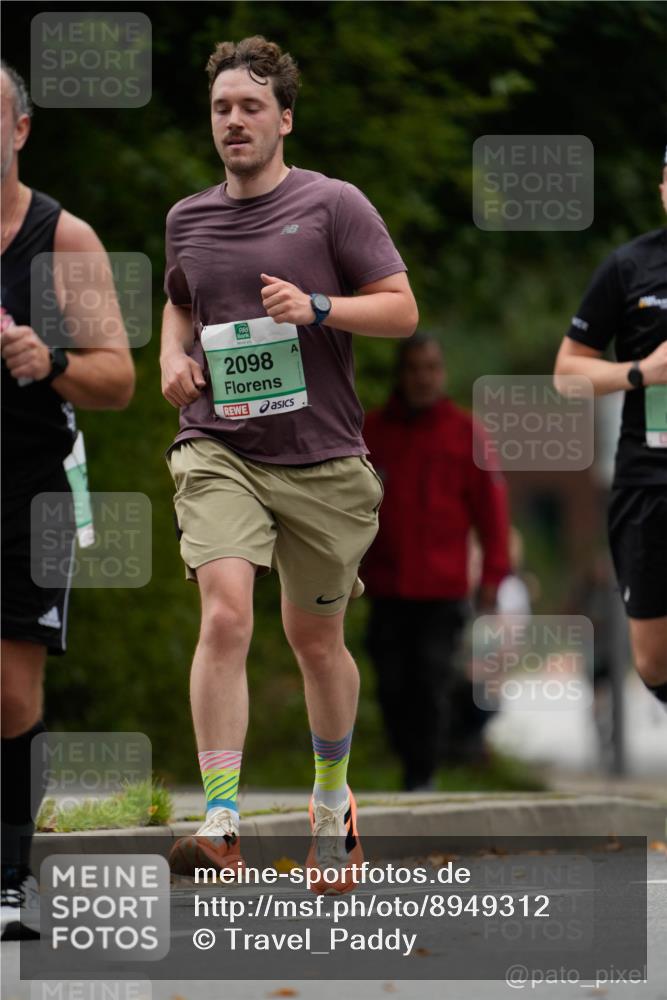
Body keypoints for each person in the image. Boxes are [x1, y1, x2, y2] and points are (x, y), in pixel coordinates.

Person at [160, 36, 417, 893]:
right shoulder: (187, 217)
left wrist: (316, 307)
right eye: (221, 109)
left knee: (314, 640)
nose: (233, 122)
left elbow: (401, 311)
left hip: (323, 459)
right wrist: (170, 358)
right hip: (218, 445)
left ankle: (331, 798)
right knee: (227, 614)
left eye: (250, 108)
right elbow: (179, 300)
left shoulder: (333, 204)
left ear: (284, 119)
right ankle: (223, 818)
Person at [0, 61, 135, 939]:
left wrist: (48, 363)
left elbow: (119, 379)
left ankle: (11, 878)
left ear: (19, 129)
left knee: (10, 695)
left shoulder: (63, 239)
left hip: (29, 493)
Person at [362, 334, 510, 790]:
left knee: (429, 680)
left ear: (441, 373)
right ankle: (409, 759)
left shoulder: (466, 433)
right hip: (384, 586)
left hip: (443, 590)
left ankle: (422, 774)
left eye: (431, 367)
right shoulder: (371, 433)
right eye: (413, 368)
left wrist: (493, 577)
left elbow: (492, 512)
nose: (422, 377)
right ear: (400, 374)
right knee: (390, 684)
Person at [554, 149, 667, 711]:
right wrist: (643, 372)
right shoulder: (629, 268)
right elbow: (567, 373)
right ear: (663, 187)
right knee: (651, 659)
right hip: (648, 479)